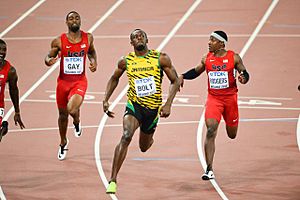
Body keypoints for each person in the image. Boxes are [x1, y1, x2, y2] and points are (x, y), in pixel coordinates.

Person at [103, 29, 180, 194]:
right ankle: (113, 180)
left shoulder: (160, 58)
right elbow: (114, 78)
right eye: (134, 37)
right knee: (126, 136)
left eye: (141, 36)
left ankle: (149, 138)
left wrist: (168, 104)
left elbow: (175, 80)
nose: (138, 38)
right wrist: (106, 98)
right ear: (131, 43)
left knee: (143, 147)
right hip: (134, 106)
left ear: (147, 39)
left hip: (152, 110)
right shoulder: (126, 61)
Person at [179, 31, 250, 180]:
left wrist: (243, 78)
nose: (209, 42)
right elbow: (196, 71)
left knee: (232, 135)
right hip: (214, 100)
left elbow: (244, 73)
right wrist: (183, 76)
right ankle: (209, 169)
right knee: (211, 129)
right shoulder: (207, 59)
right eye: (209, 40)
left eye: (213, 40)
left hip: (230, 100)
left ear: (222, 43)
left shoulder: (234, 57)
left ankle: (230, 123)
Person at [44, 11, 97, 160]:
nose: (74, 20)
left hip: (79, 81)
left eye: (77, 18)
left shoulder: (89, 38)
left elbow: (91, 52)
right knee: (62, 115)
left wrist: (94, 61)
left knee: (71, 108)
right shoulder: (59, 41)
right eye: (71, 18)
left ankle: (77, 120)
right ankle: (63, 141)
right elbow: (49, 56)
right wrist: (48, 60)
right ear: (66, 22)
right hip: (62, 83)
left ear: (80, 21)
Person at [0, 39, 25, 142]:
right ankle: (3, 127)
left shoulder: (10, 71)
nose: (2, 52)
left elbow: (13, 91)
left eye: (4, 50)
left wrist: (17, 112)